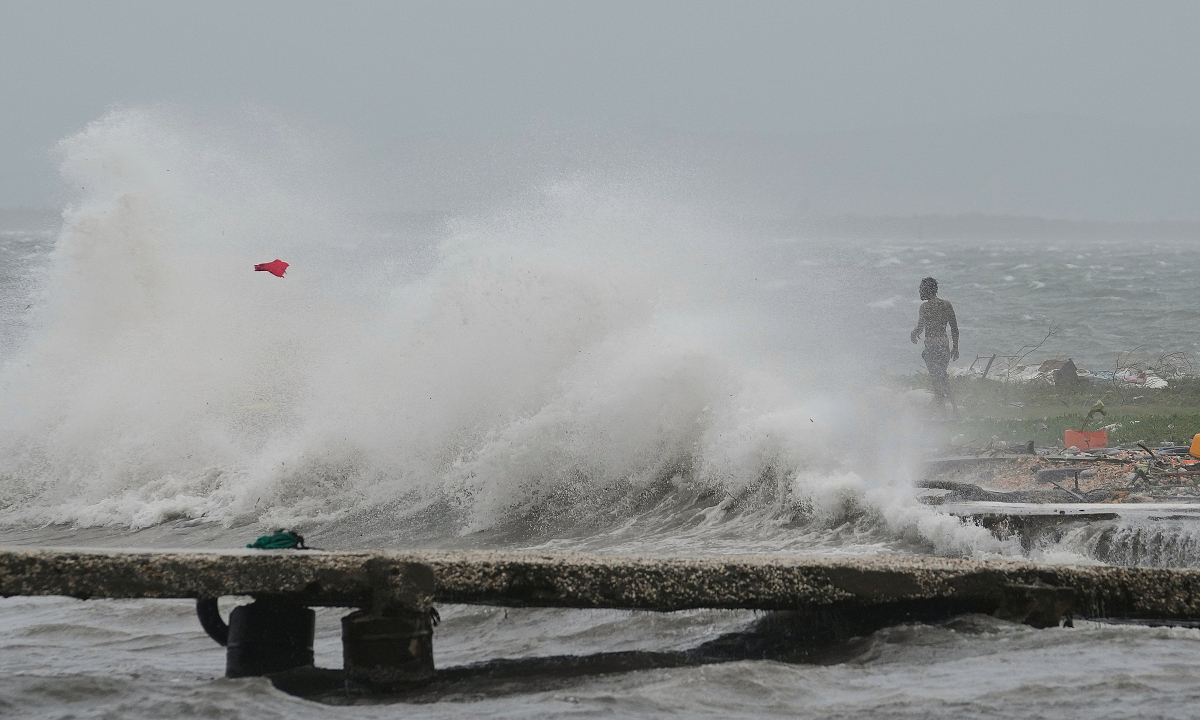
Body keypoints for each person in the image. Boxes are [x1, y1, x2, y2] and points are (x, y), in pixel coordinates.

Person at [910, 277, 959, 413]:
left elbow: (920, 327)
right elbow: (954, 328)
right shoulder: (946, 305)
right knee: (943, 377)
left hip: (931, 346)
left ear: (927, 290)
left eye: (921, 289)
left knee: (936, 380)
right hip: (944, 345)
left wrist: (913, 334)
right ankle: (954, 409)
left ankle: (943, 412)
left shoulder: (925, 307)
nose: (919, 292)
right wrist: (955, 347)